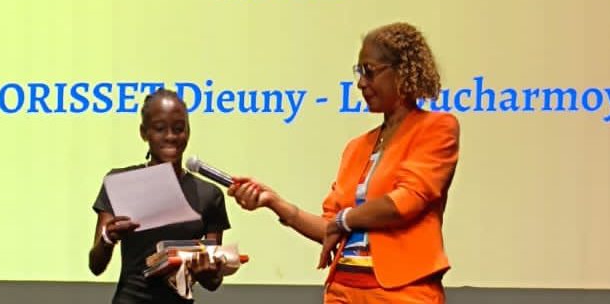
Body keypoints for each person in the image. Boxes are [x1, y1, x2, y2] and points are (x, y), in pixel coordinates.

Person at [228, 22, 460, 303]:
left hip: (403, 292)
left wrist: (344, 220)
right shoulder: (356, 148)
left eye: (369, 71)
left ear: (401, 71)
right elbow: (330, 226)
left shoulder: (437, 128)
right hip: (342, 291)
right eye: (359, 72)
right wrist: (274, 202)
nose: (361, 83)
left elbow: (405, 202)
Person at [89, 88, 231, 304]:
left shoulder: (209, 195)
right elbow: (95, 265)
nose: (170, 136)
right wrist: (108, 238)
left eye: (179, 128)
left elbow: (213, 282)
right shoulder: (121, 183)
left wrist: (205, 271)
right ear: (143, 132)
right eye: (159, 129)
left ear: (188, 131)